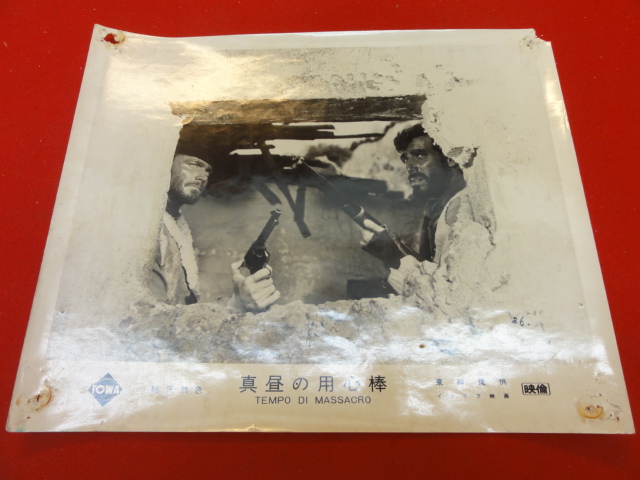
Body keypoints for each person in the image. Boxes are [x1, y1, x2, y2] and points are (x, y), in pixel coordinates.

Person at [150, 153, 280, 311]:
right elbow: (149, 319)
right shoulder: (147, 231)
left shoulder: (177, 227)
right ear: (165, 166)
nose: (203, 177)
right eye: (193, 164)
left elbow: (183, 309)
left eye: (208, 171)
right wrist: (234, 305)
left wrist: (237, 300)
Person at [360, 123, 467, 292]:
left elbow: (446, 294)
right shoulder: (437, 208)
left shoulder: (459, 211)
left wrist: (393, 254)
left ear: (451, 158)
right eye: (405, 159)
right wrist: (395, 246)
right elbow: (432, 271)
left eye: (420, 155)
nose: (409, 167)